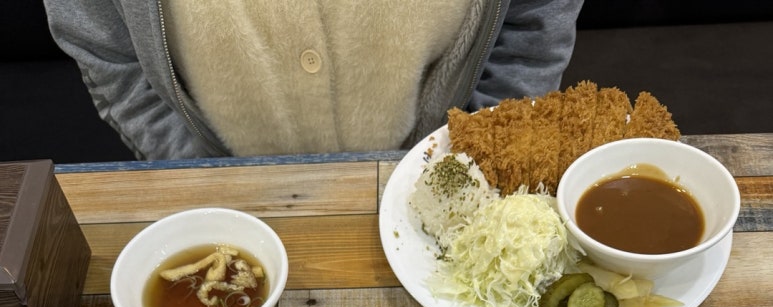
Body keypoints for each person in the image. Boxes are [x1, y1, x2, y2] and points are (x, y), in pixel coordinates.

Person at [43, 0, 584, 162]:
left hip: (452, 178)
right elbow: (107, 51)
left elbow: (533, 24)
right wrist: (197, 174)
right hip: (225, 203)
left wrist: (475, 159)